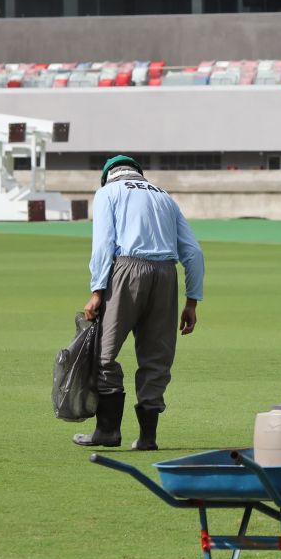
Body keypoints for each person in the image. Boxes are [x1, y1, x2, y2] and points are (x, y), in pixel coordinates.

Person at [73, 155, 206, 449]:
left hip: (127, 271)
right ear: (138, 174)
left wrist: (97, 290)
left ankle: (107, 431)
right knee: (156, 358)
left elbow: (104, 244)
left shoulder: (108, 192)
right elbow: (194, 253)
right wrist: (192, 301)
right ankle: (148, 437)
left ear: (109, 175)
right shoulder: (165, 197)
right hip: (166, 276)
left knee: (104, 353)